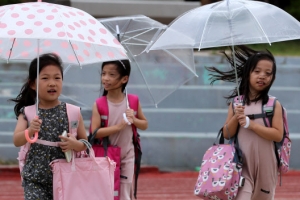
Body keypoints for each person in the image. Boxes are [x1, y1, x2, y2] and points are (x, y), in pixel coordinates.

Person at [206, 45, 283, 200]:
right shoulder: (236, 103)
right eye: (257, 71)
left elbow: (278, 135)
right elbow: (227, 133)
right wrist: (236, 116)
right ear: (248, 74)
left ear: (272, 78)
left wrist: (251, 124)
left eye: (268, 73)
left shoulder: (273, 105)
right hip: (241, 165)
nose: (262, 76)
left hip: (266, 167)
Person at [11, 53, 87, 200]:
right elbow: (17, 140)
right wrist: (30, 130)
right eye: (45, 78)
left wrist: (75, 144)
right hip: (35, 179)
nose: (52, 83)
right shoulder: (28, 112)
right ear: (33, 84)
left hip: (66, 178)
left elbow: (85, 143)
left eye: (57, 78)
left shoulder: (73, 112)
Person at [90, 60, 148, 200]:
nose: (105, 78)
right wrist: (118, 127)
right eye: (103, 74)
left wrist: (134, 119)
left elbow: (144, 124)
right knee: (107, 191)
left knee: (125, 192)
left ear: (124, 79)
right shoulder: (99, 103)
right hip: (106, 155)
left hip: (128, 153)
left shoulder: (132, 101)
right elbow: (94, 132)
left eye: (111, 74)